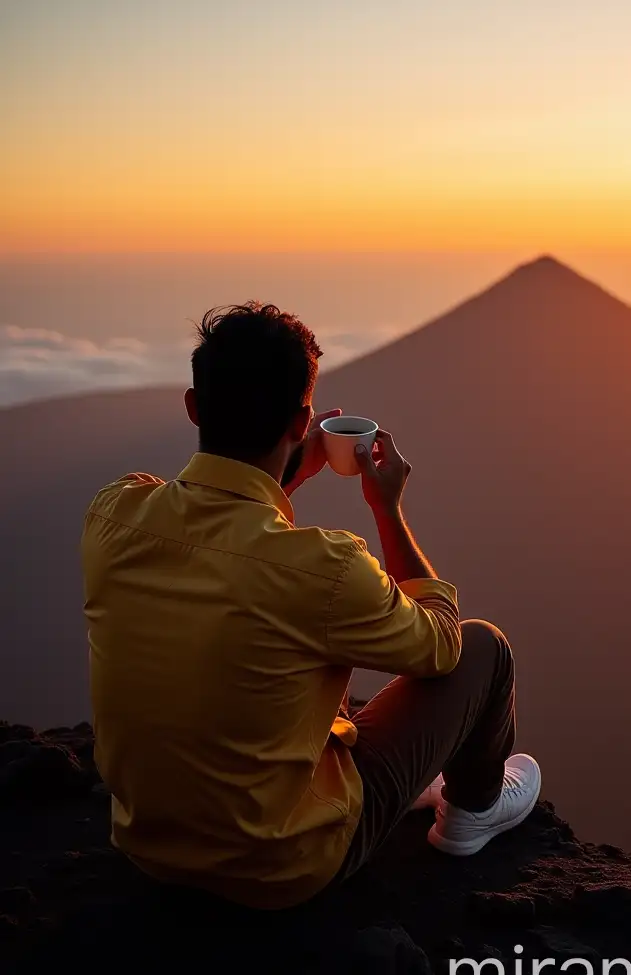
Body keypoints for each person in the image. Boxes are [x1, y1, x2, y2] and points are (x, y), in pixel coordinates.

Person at [81, 300, 541, 910]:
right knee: (484, 646)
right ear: (303, 423)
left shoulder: (114, 513)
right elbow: (440, 643)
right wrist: (387, 509)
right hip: (282, 867)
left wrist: (283, 478)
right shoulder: (325, 567)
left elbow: (213, 534)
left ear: (193, 407)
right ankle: (471, 815)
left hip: (149, 848)